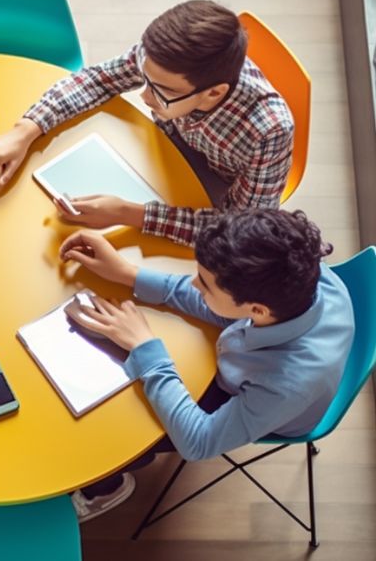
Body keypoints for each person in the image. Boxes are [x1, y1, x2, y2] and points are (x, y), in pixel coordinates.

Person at [57, 209, 354, 522]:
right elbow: (226, 311)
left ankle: (106, 487)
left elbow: (199, 443)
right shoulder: (305, 272)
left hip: (262, 402)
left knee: (117, 431)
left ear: (256, 310)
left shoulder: (286, 383)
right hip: (253, 361)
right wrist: (129, 274)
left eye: (205, 284)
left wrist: (145, 347)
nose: (195, 284)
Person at [0, 0, 295, 246]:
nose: (144, 97)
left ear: (213, 94)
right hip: (160, 152)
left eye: (162, 92)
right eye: (144, 78)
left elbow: (241, 229)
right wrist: (25, 130)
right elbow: (98, 80)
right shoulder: (163, 62)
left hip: (215, 194)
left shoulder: (269, 130)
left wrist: (131, 214)